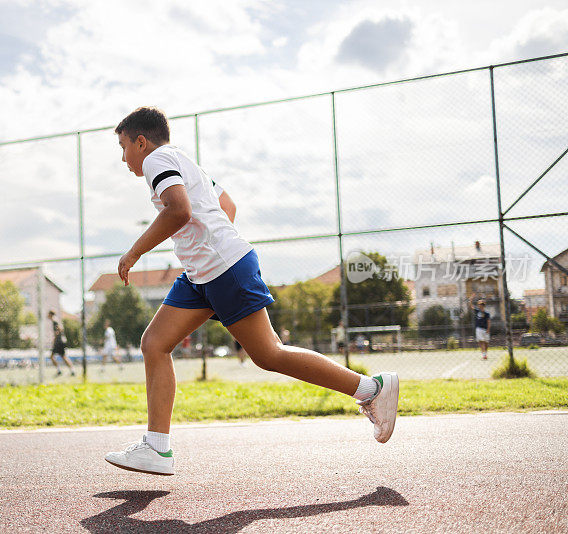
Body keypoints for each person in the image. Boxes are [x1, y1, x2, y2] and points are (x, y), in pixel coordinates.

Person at [104, 107, 399, 476]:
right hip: (202, 274)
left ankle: (372, 389)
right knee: (155, 343)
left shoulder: (157, 159)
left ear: (141, 141)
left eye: (123, 146)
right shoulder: (184, 161)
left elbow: (178, 211)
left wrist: (135, 251)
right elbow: (227, 205)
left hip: (223, 269)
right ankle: (156, 448)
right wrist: (207, 244)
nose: (123, 157)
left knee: (268, 354)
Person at [48, 310, 75, 376]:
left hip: (59, 342)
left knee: (52, 356)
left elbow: (59, 330)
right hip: (60, 342)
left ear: (51, 314)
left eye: (48, 314)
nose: (47, 316)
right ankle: (71, 370)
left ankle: (60, 370)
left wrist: (55, 338)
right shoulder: (56, 321)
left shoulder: (55, 321)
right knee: (63, 357)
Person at [468, 294, 491, 360]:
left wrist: (488, 329)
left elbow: (489, 322)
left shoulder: (487, 313)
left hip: (485, 329)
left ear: (483, 306)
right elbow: (471, 306)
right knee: (481, 341)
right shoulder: (477, 311)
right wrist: (471, 299)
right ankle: (484, 355)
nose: (479, 306)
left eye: (480, 305)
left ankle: (485, 353)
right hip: (479, 329)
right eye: (478, 305)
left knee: (486, 342)